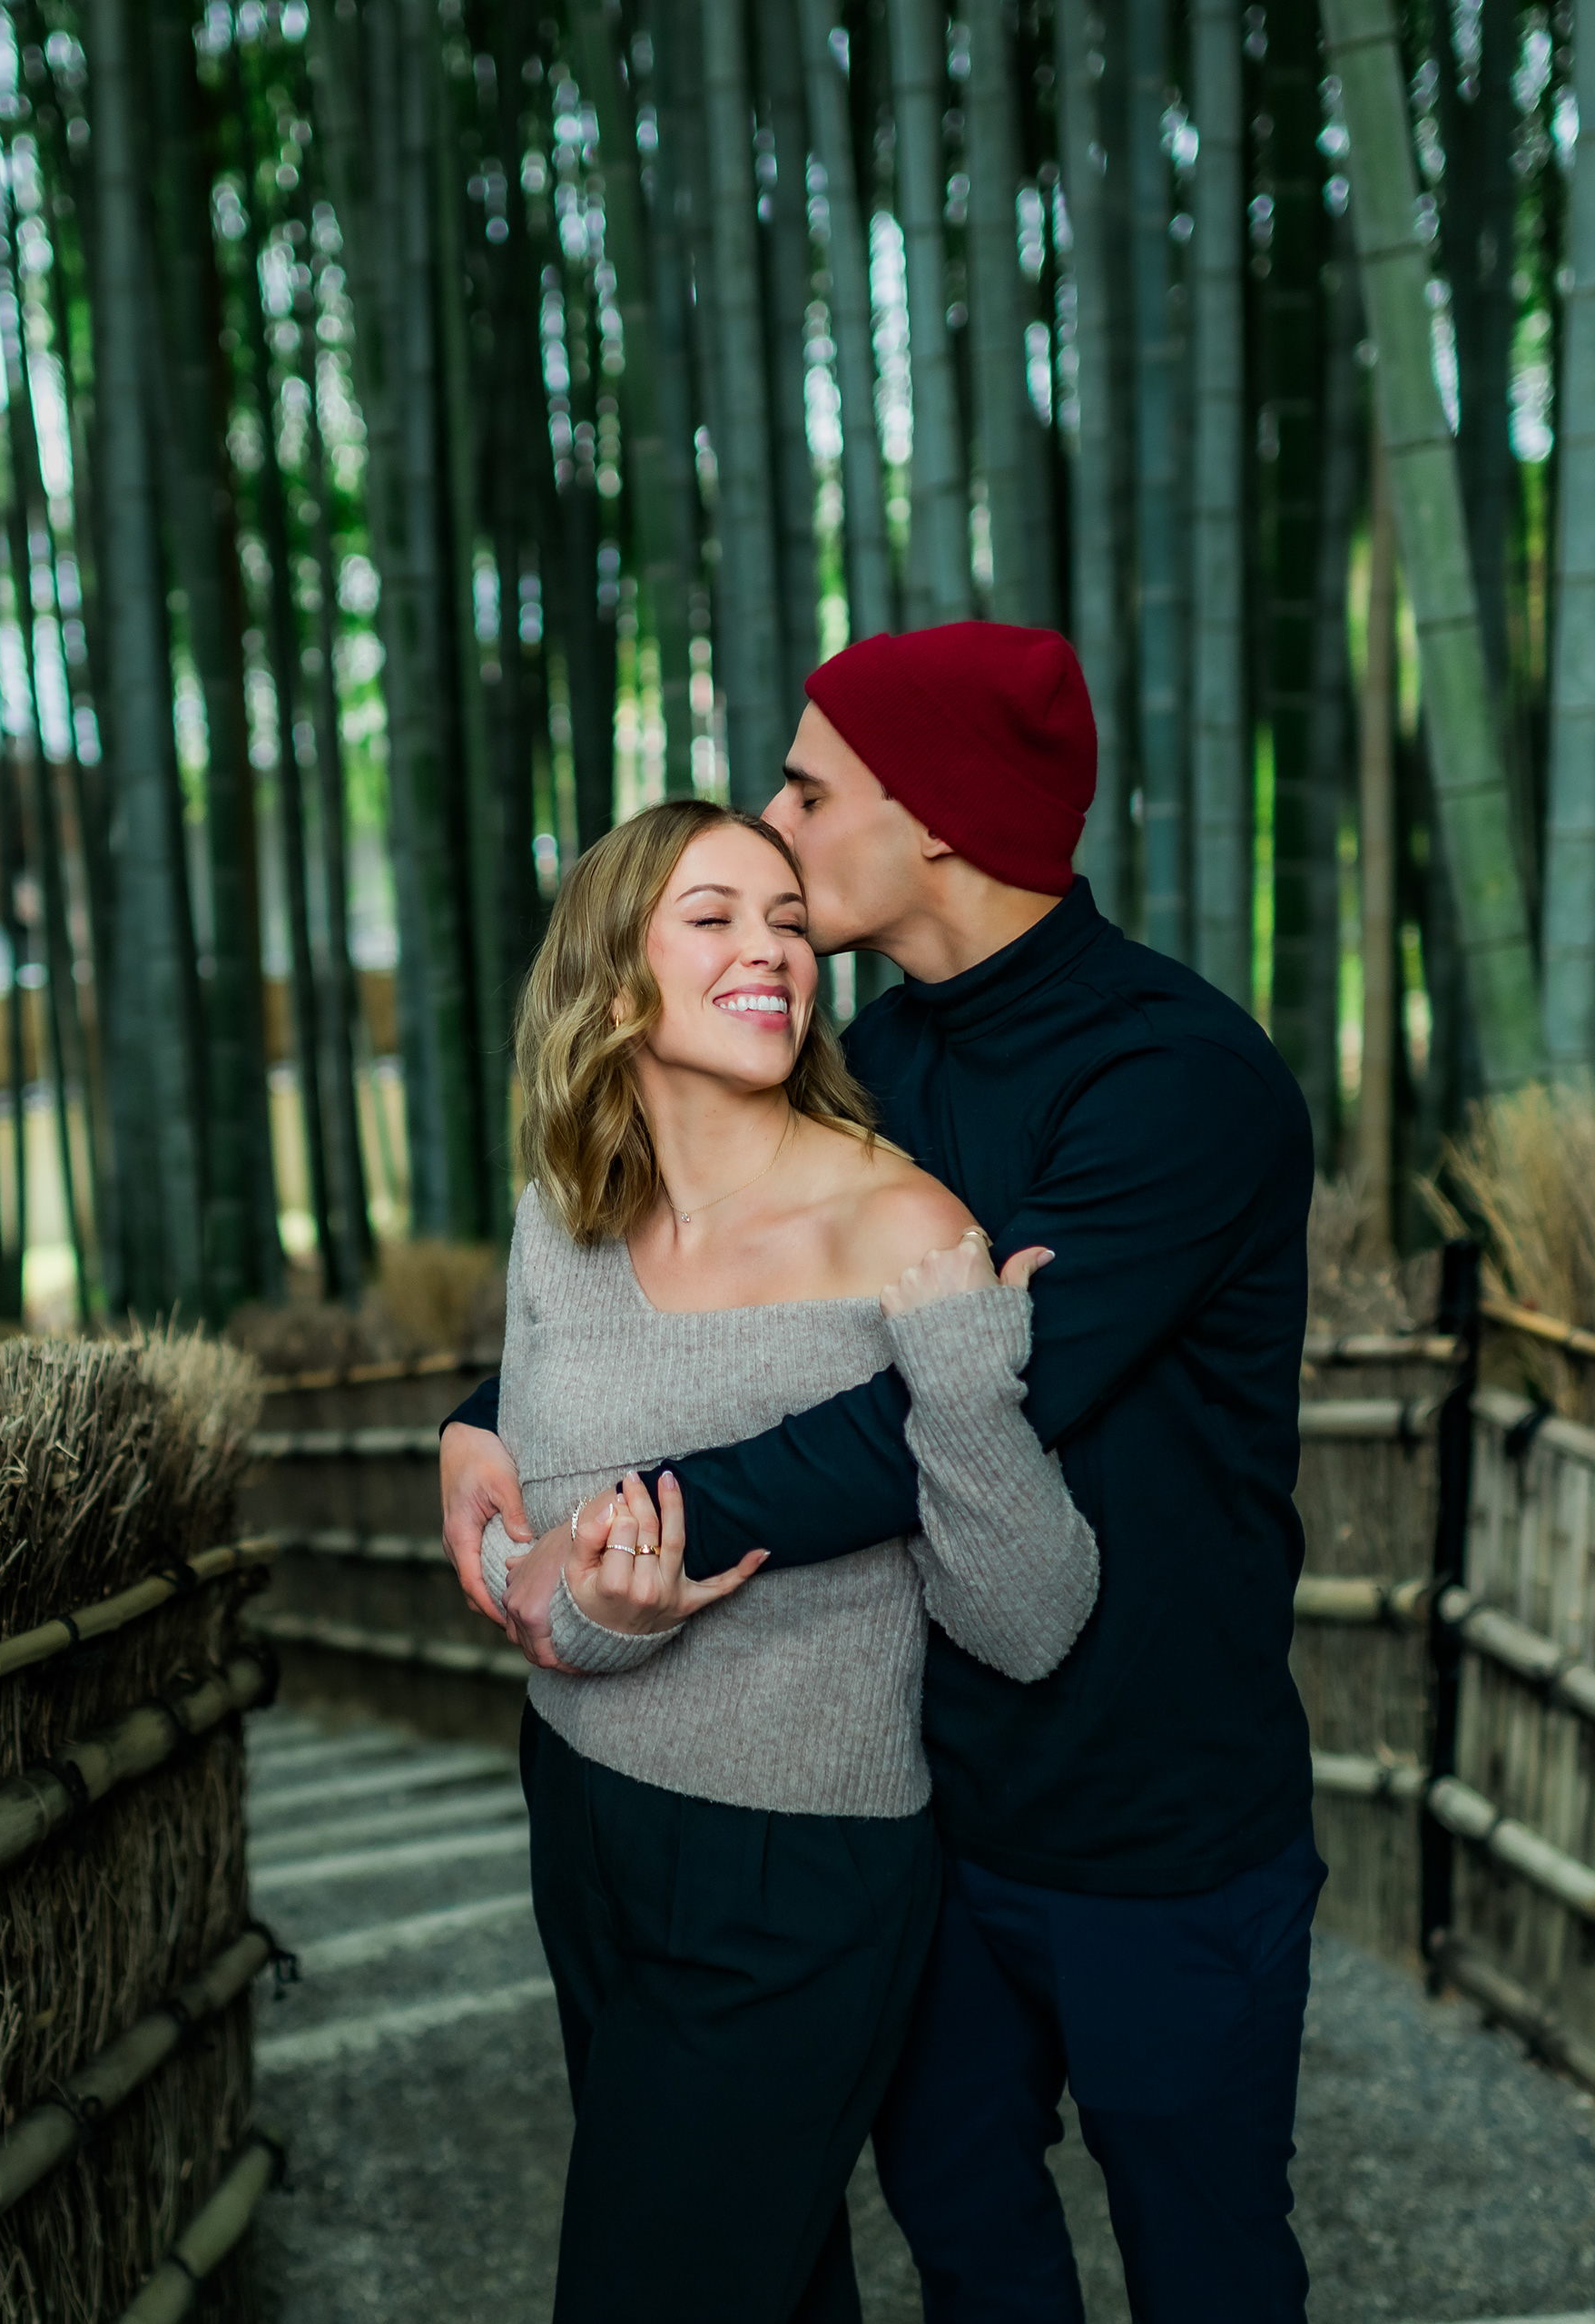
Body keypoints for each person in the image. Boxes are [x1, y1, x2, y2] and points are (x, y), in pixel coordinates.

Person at [449, 624, 1324, 2322]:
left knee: (1208, 2266)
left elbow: (916, 1423)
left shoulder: (1176, 1083)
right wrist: (484, 1416)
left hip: (1152, 1808)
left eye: (806, 792)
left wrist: (610, 1532)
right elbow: (723, 1281)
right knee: (970, 2254)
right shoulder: (883, 1064)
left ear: (933, 819)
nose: (774, 830)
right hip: (925, 1795)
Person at [481, 795, 1098, 2324]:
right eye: (713, 918)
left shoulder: (897, 1221)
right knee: (764, 2280)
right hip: (582, 1808)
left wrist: (965, 1377)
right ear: (614, 975)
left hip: (793, 1865)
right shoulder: (565, 1216)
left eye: (787, 921)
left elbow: (1029, 1618)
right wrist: (567, 1591)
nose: (770, 949)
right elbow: (531, 1556)